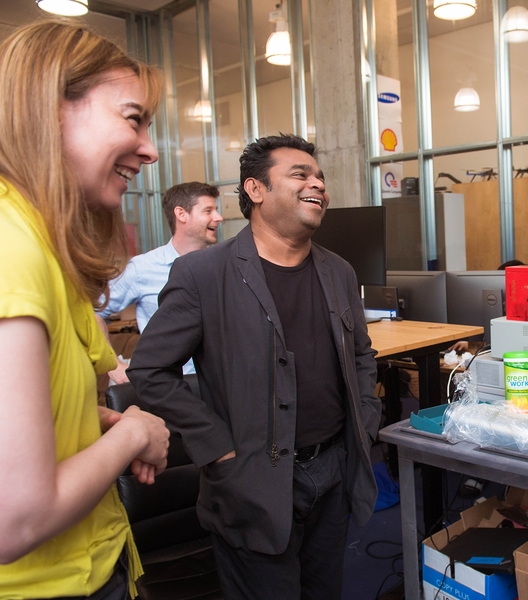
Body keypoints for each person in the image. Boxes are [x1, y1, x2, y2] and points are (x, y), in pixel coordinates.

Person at [127, 133, 381, 599]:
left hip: (331, 471)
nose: (318, 185)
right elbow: (150, 371)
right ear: (255, 190)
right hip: (251, 482)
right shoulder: (204, 273)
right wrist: (218, 447)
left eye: (321, 177)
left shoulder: (339, 271)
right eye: (301, 175)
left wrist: (362, 424)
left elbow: (361, 355)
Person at [0, 21, 170, 598]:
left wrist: (100, 423)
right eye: (132, 118)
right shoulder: (11, 250)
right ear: (48, 108)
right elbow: (14, 519)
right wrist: (133, 434)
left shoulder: (45, 247)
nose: (150, 149)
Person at [97, 181, 223, 379]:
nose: (218, 217)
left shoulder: (224, 264)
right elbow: (93, 311)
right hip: (166, 388)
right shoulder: (141, 269)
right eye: (208, 210)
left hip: (218, 384)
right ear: (181, 214)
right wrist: (113, 364)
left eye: (216, 210)